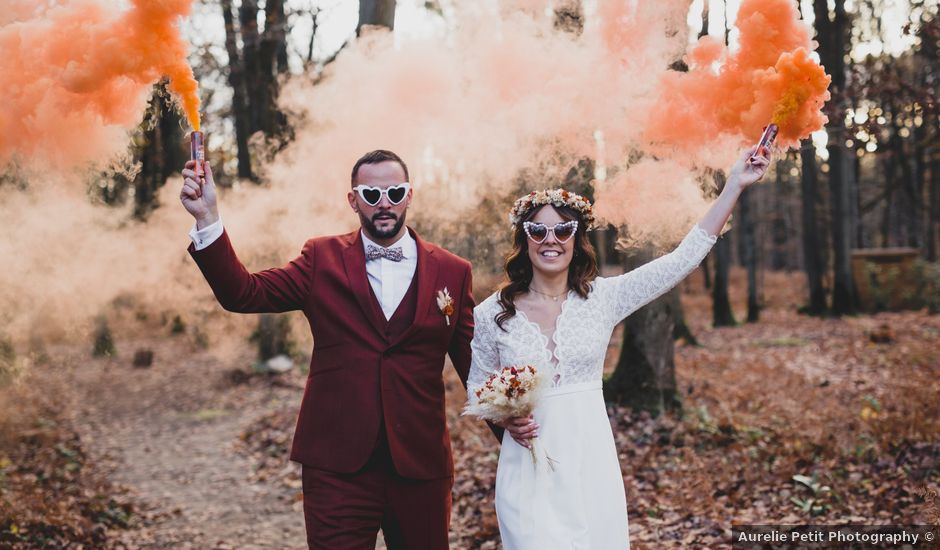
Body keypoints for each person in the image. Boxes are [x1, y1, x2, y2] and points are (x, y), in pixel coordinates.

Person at [467, 147, 771, 549]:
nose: (550, 240)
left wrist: (734, 183)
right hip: (528, 470)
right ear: (524, 241)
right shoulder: (493, 313)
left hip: (591, 463)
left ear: (578, 238)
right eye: (537, 231)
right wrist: (505, 419)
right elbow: (476, 389)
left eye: (562, 230)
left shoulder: (603, 299)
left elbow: (682, 260)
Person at [179, 150, 479, 550]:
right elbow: (243, 293)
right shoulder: (321, 258)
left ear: (410, 196)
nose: (384, 203)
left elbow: (476, 369)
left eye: (394, 192)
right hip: (338, 468)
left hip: (420, 467)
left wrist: (518, 434)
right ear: (353, 200)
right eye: (371, 194)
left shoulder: (453, 270)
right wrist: (207, 218)